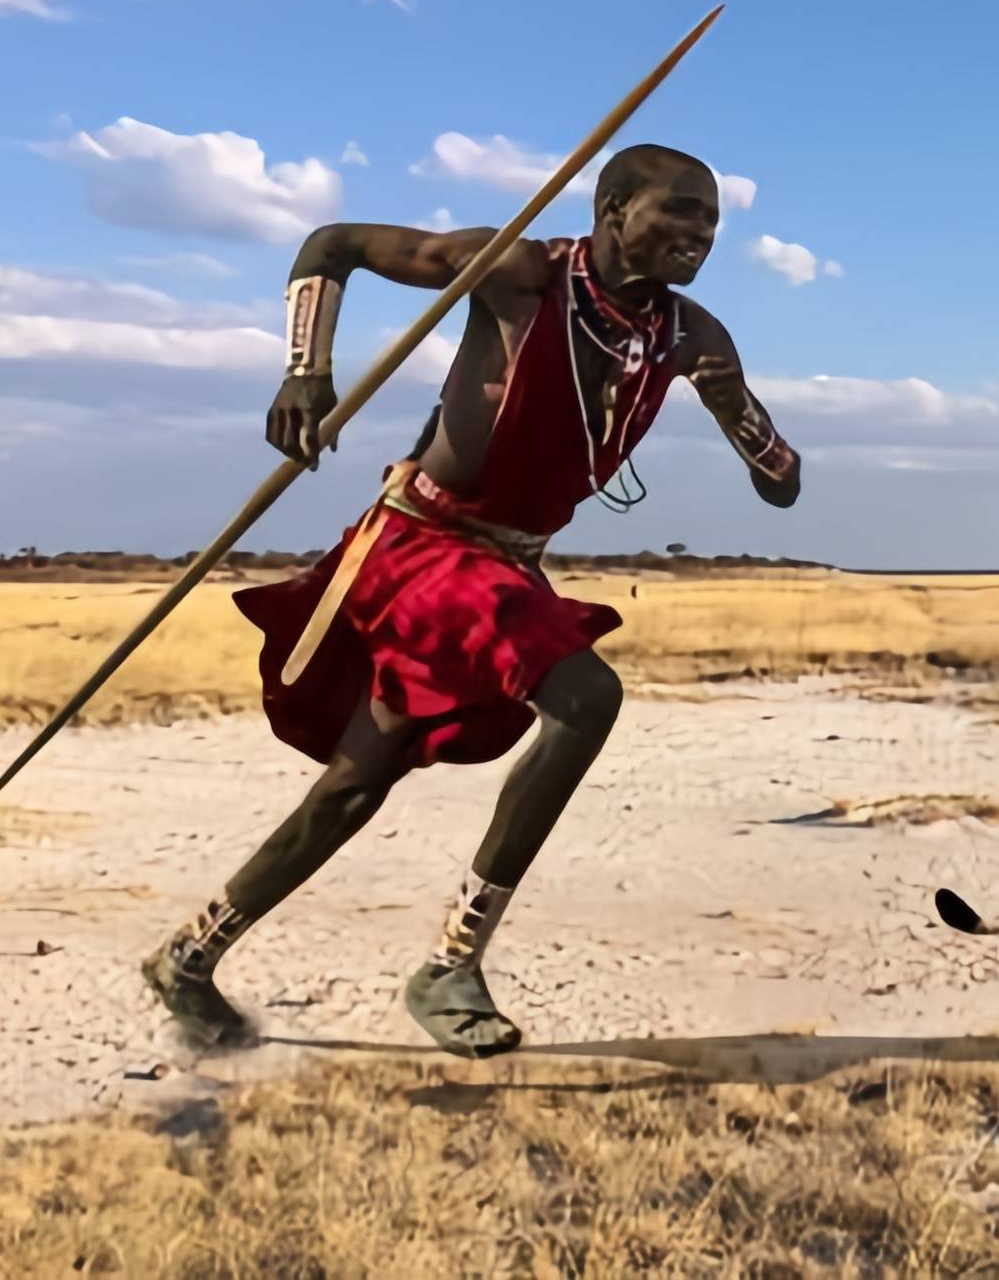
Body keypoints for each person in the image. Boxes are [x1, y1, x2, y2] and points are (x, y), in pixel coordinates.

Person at [141, 143, 801, 1059]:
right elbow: (331, 245)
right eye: (679, 210)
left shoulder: (691, 338)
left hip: (510, 566)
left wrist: (745, 415)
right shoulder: (517, 274)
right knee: (586, 696)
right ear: (613, 208)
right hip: (424, 543)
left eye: (711, 220)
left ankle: (186, 957)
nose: (700, 233)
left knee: (356, 785)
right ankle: (453, 964)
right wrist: (304, 372)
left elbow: (781, 483)